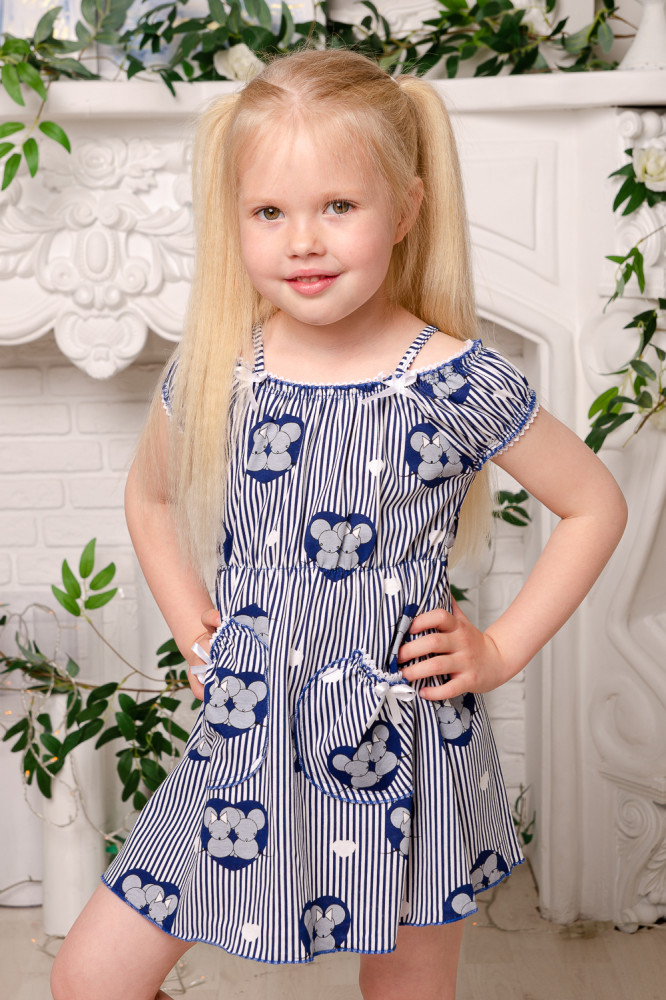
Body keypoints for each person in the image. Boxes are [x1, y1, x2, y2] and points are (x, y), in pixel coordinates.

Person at [51, 47, 627, 1000]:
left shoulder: (456, 380)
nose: (303, 242)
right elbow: (149, 498)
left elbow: (595, 502)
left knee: (401, 990)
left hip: (401, 737)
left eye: (338, 206)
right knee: (93, 978)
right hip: (249, 730)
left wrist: (500, 649)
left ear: (404, 210)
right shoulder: (222, 368)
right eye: (269, 213)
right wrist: (196, 628)